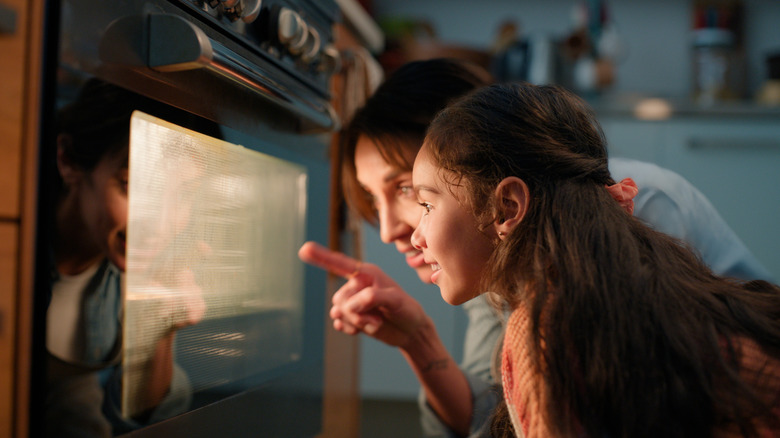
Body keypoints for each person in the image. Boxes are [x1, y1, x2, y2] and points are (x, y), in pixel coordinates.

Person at [300, 58, 775, 438]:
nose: (389, 230)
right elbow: (493, 417)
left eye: (414, 195)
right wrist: (415, 339)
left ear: (502, 202)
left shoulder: (563, 310)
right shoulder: (522, 273)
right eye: (370, 200)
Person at [45, 79, 208, 437]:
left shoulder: (125, 275)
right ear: (68, 160)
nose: (162, 226)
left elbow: (147, 419)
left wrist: (160, 329)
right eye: (135, 186)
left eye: (183, 195)